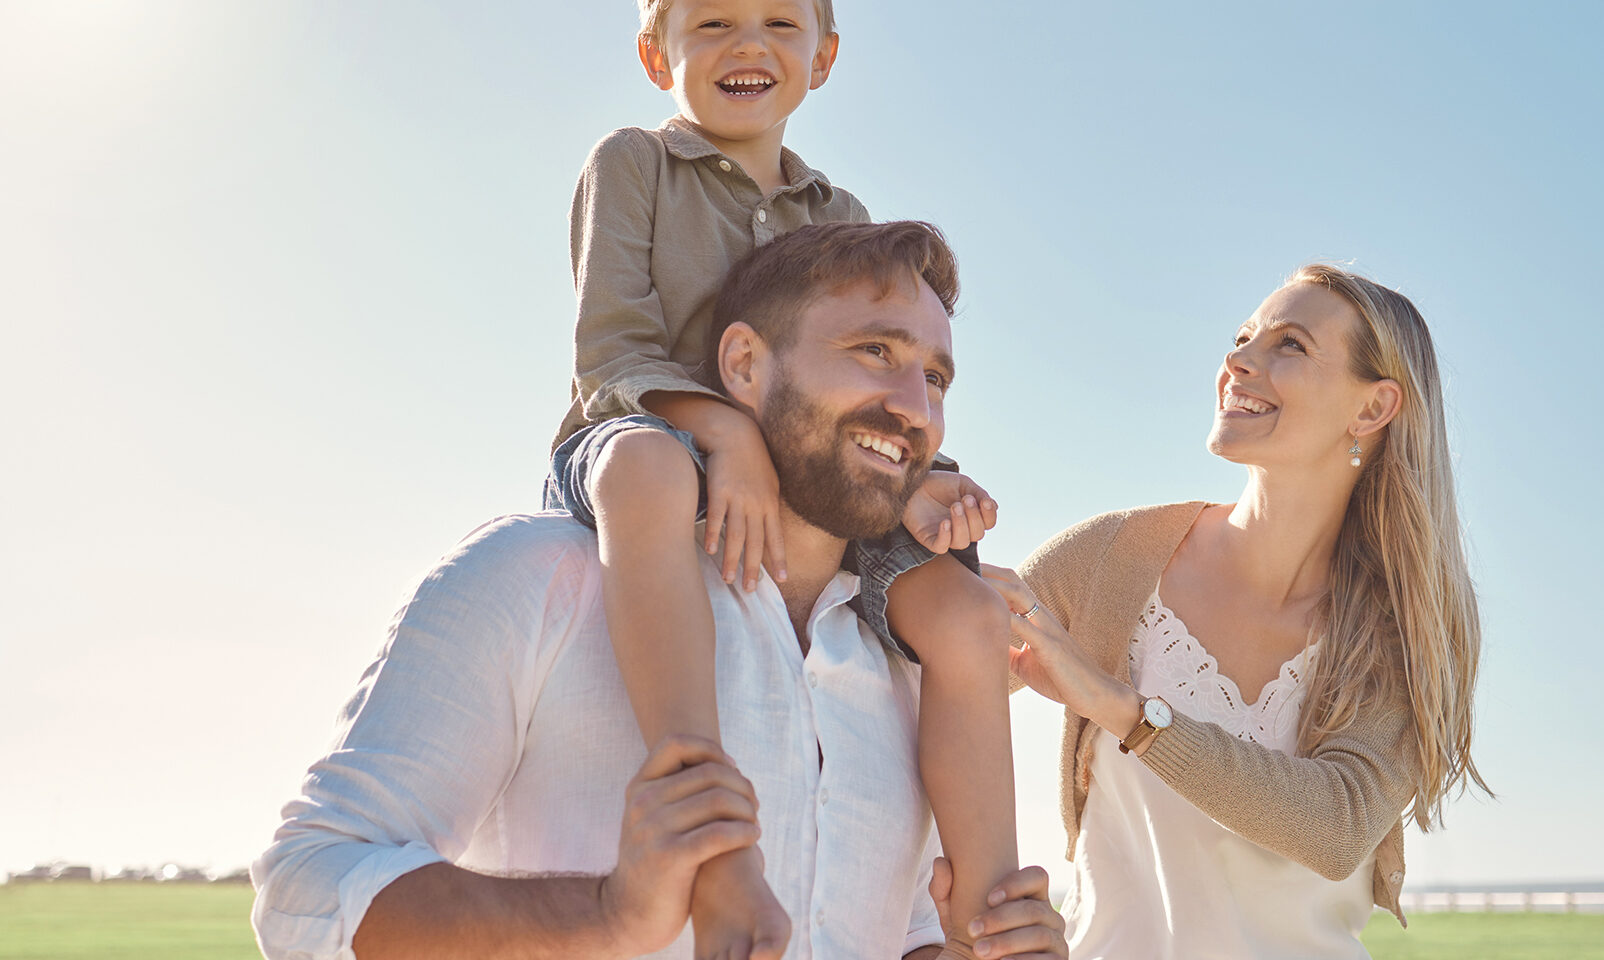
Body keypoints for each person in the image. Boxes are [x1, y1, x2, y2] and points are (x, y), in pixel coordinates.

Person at [251, 222, 1063, 960]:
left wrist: (979, 951)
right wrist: (606, 915)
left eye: (937, 377)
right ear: (744, 365)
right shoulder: (541, 576)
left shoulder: (912, 664)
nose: (915, 407)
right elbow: (305, 892)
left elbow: (902, 932)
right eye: (874, 352)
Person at [546, 2, 1016, 954]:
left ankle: (991, 911)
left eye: (778, 22)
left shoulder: (840, 215)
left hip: (811, 480)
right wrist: (728, 434)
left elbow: (879, 374)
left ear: (825, 57)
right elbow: (611, 353)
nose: (747, 44)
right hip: (651, 429)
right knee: (643, 471)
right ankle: (706, 822)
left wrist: (924, 477)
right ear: (655, 53)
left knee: (969, 612)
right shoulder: (632, 164)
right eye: (711, 20)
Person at [981, 264, 1489, 958]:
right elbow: (922, 689)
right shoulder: (1108, 561)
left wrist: (1122, 709)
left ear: (1372, 410)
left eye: (1290, 346)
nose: (1238, 361)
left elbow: (1337, 825)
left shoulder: (1400, 631)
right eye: (1244, 338)